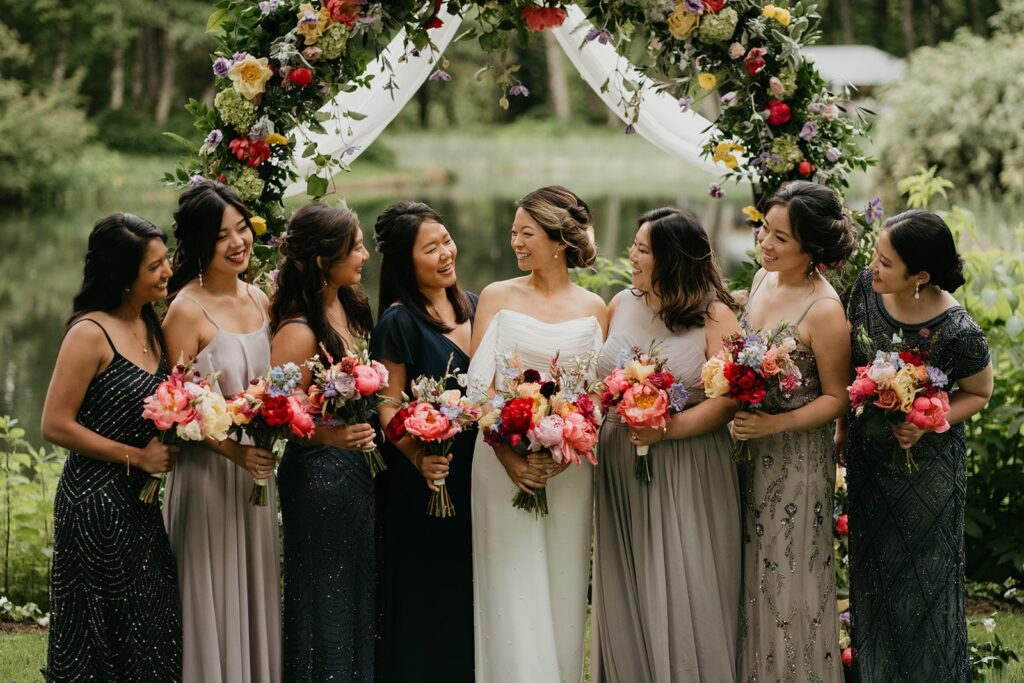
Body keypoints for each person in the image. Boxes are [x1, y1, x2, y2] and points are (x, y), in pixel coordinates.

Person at [592, 208, 743, 682]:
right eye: (634, 245)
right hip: (620, 459)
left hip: (687, 463)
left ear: (672, 258)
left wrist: (667, 430)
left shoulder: (716, 316)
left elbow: (733, 399)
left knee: (686, 580)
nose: (631, 256)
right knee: (629, 579)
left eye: (642, 249)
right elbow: (600, 384)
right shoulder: (621, 302)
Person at [842, 210, 992, 682]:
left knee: (925, 581)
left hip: (927, 472)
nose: (873, 267)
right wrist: (844, 435)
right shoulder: (864, 295)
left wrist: (928, 424)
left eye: (885, 262)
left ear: (920, 276)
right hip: (869, 466)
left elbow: (980, 393)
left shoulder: (959, 330)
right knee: (874, 576)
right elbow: (851, 367)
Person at [468, 185, 607, 682]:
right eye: (512, 233)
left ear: (558, 240)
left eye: (526, 233)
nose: (516, 243)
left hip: (568, 468)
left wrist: (567, 443)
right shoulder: (497, 297)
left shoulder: (596, 308)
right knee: (510, 585)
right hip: (501, 462)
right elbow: (479, 389)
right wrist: (512, 459)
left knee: (562, 585)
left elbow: (596, 397)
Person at [42, 213, 181, 681]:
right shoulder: (89, 333)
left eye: (167, 260)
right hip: (94, 500)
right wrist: (137, 456)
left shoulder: (152, 323)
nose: (167, 271)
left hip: (141, 502)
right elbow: (55, 425)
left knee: (152, 622)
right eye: (155, 266)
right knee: (102, 632)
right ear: (124, 277)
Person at [734, 181, 855, 682]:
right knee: (749, 570)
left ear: (812, 250)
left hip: (796, 459)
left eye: (781, 238)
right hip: (746, 448)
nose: (766, 243)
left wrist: (774, 422)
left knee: (788, 575)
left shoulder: (823, 310)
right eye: (765, 229)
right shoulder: (764, 279)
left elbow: (837, 396)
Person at [161, 181, 280, 683]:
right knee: (212, 590)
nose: (238, 243)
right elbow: (176, 409)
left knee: (255, 588)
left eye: (241, 229)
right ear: (199, 245)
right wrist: (233, 451)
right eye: (221, 236)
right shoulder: (185, 310)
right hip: (210, 473)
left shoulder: (260, 297)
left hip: (257, 473)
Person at [370, 201, 479, 682]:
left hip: (480, 474)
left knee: (468, 590)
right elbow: (388, 406)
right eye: (430, 248)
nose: (445, 254)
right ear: (404, 261)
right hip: (427, 481)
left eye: (446, 240)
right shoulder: (398, 322)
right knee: (427, 595)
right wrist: (419, 456)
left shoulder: (476, 305)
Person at [269, 202, 377, 682]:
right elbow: (275, 413)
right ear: (320, 259)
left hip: (356, 473)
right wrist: (333, 434)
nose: (365, 255)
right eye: (354, 247)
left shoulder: (349, 302)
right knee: (322, 597)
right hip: (318, 478)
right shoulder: (297, 329)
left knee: (357, 592)